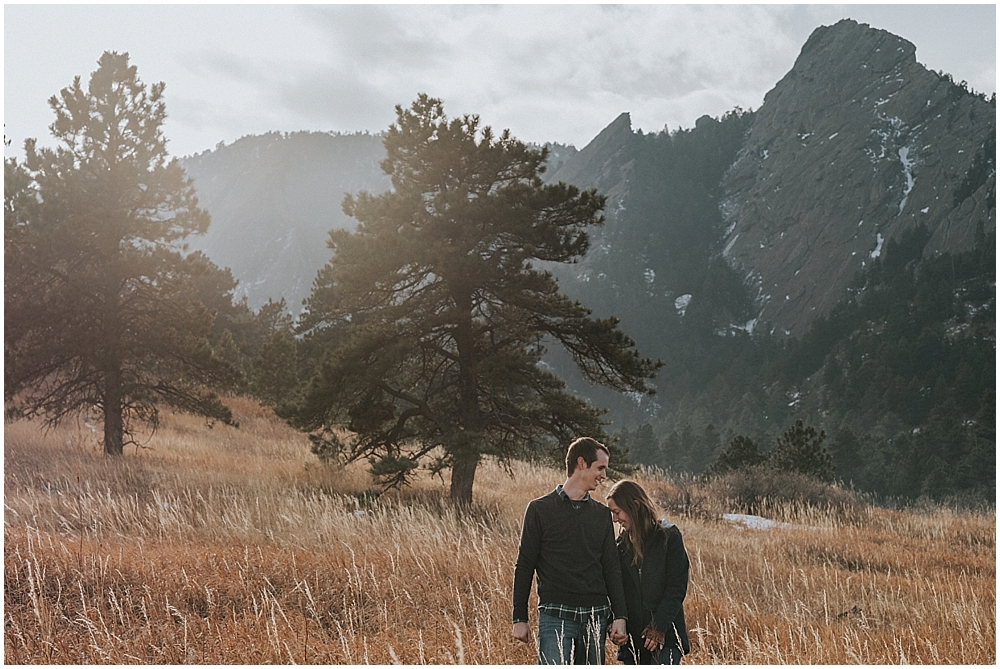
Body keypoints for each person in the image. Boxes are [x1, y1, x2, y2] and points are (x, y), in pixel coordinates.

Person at [512, 437, 629, 664]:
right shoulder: (539, 510)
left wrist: (620, 616)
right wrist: (519, 618)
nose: (604, 476)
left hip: (596, 615)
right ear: (582, 463)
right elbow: (524, 565)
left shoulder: (601, 515)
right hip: (555, 613)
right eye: (600, 468)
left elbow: (611, 568)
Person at [606, 480, 690, 665]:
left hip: (666, 639)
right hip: (633, 642)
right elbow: (614, 591)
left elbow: (676, 588)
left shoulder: (669, 537)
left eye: (617, 512)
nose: (615, 519)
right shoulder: (619, 547)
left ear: (635, 506)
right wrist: (613, 625)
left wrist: (658, 627)